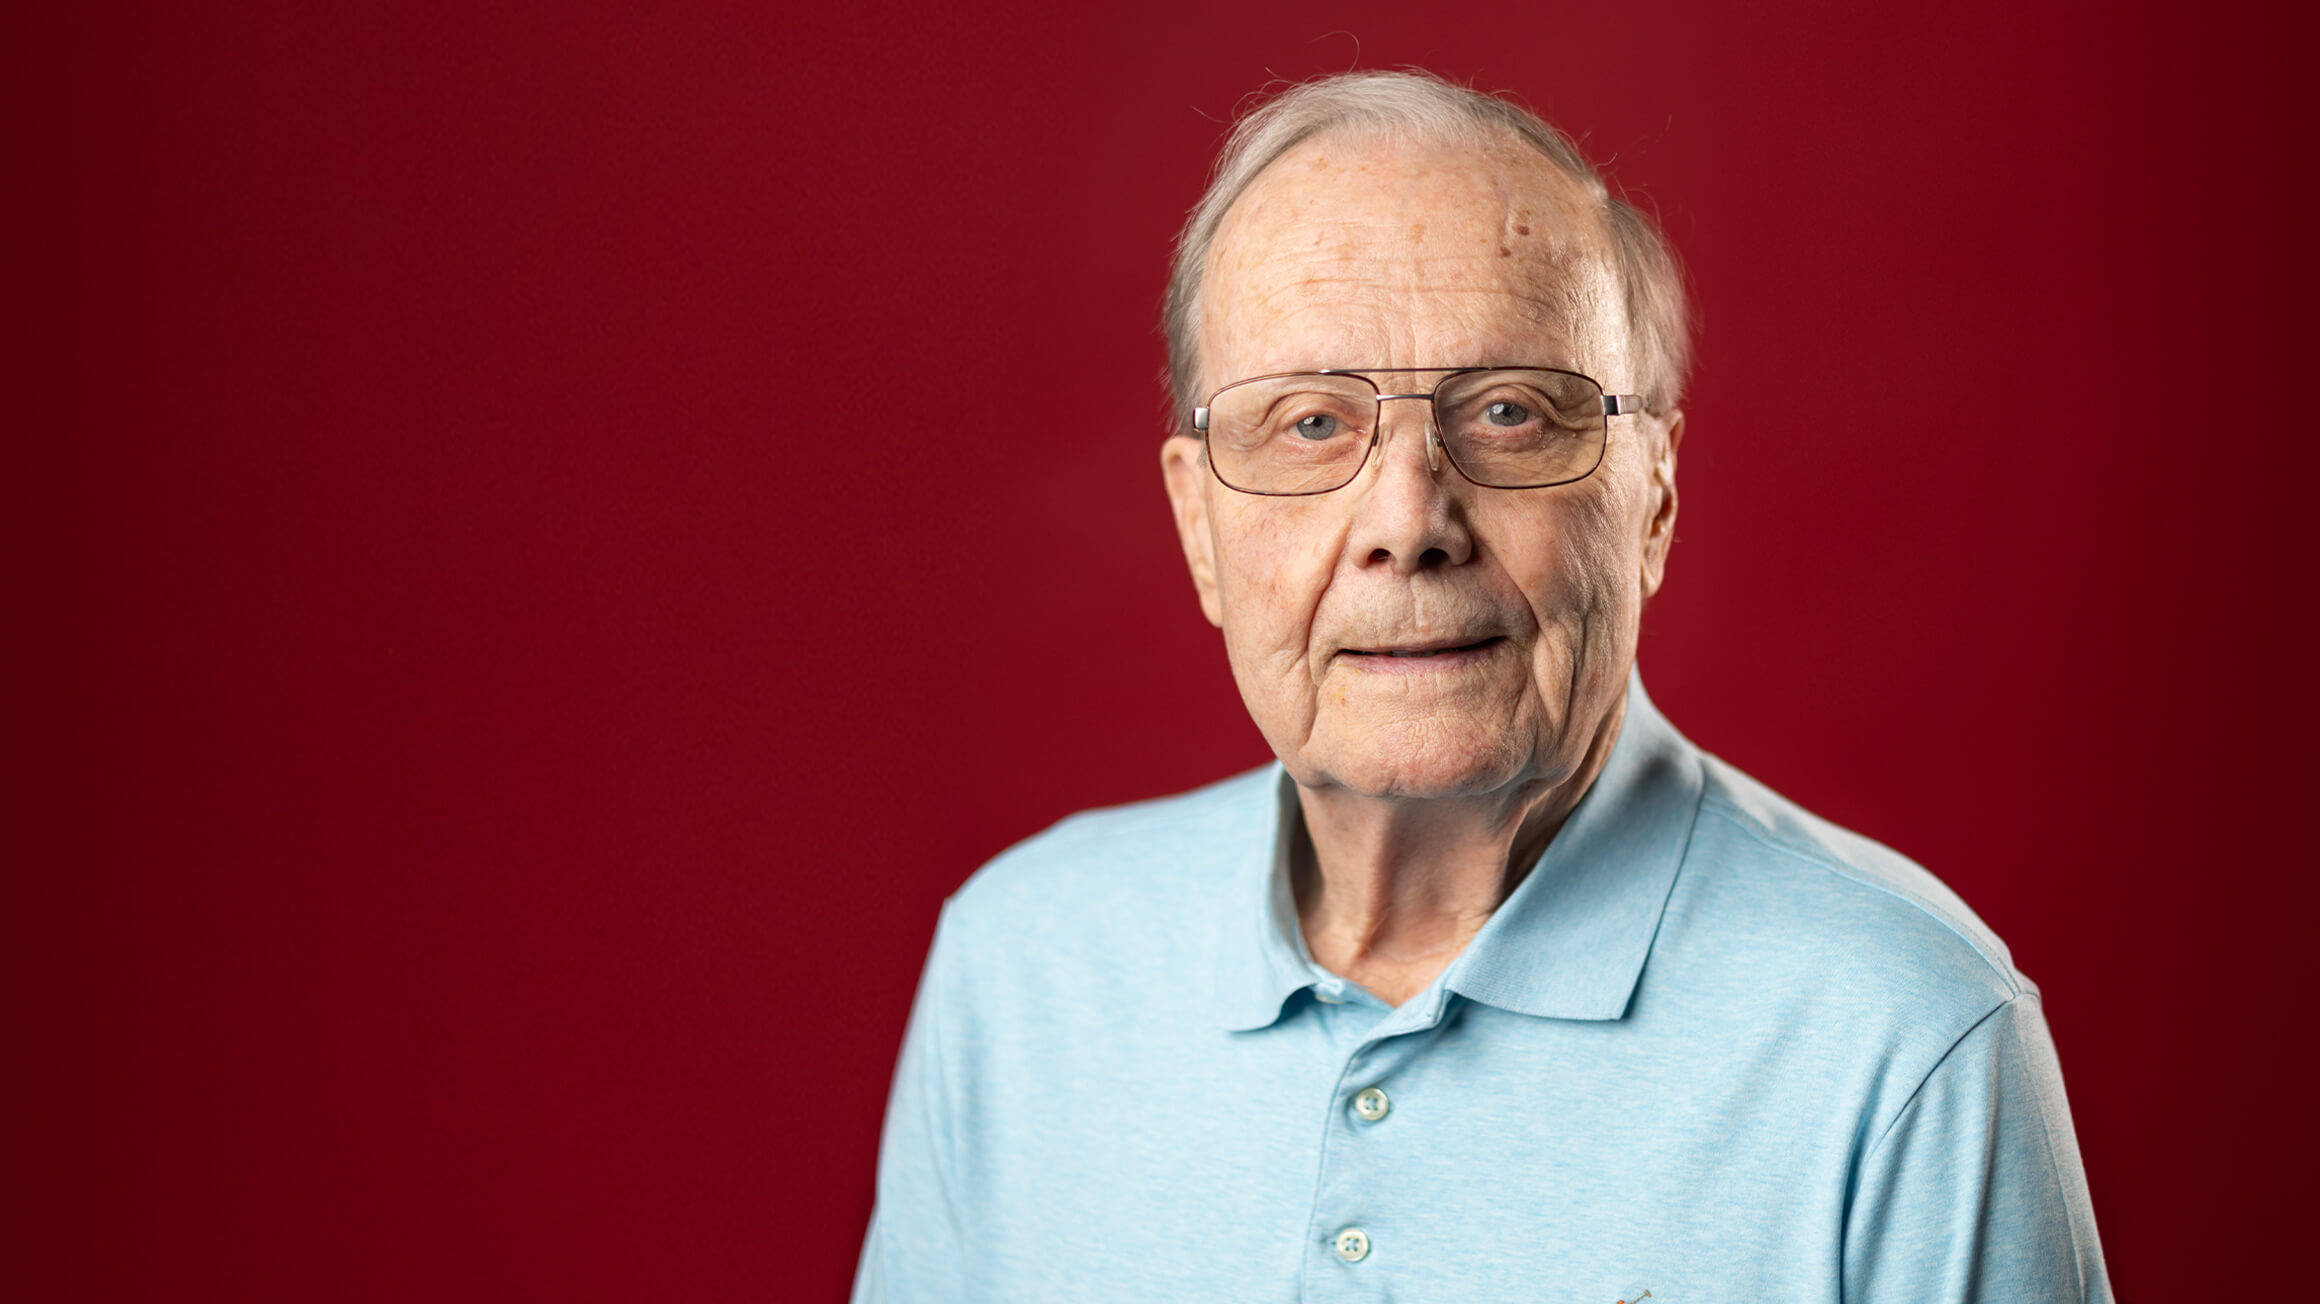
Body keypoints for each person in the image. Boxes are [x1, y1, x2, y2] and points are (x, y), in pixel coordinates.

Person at [852, 69, 2109, 1301]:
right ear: (1197, 525)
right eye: (1310, 423)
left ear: (1652, 498)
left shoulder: (1904, 1034)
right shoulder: (1019, 967)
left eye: (1510, 411)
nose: (1407, 521)